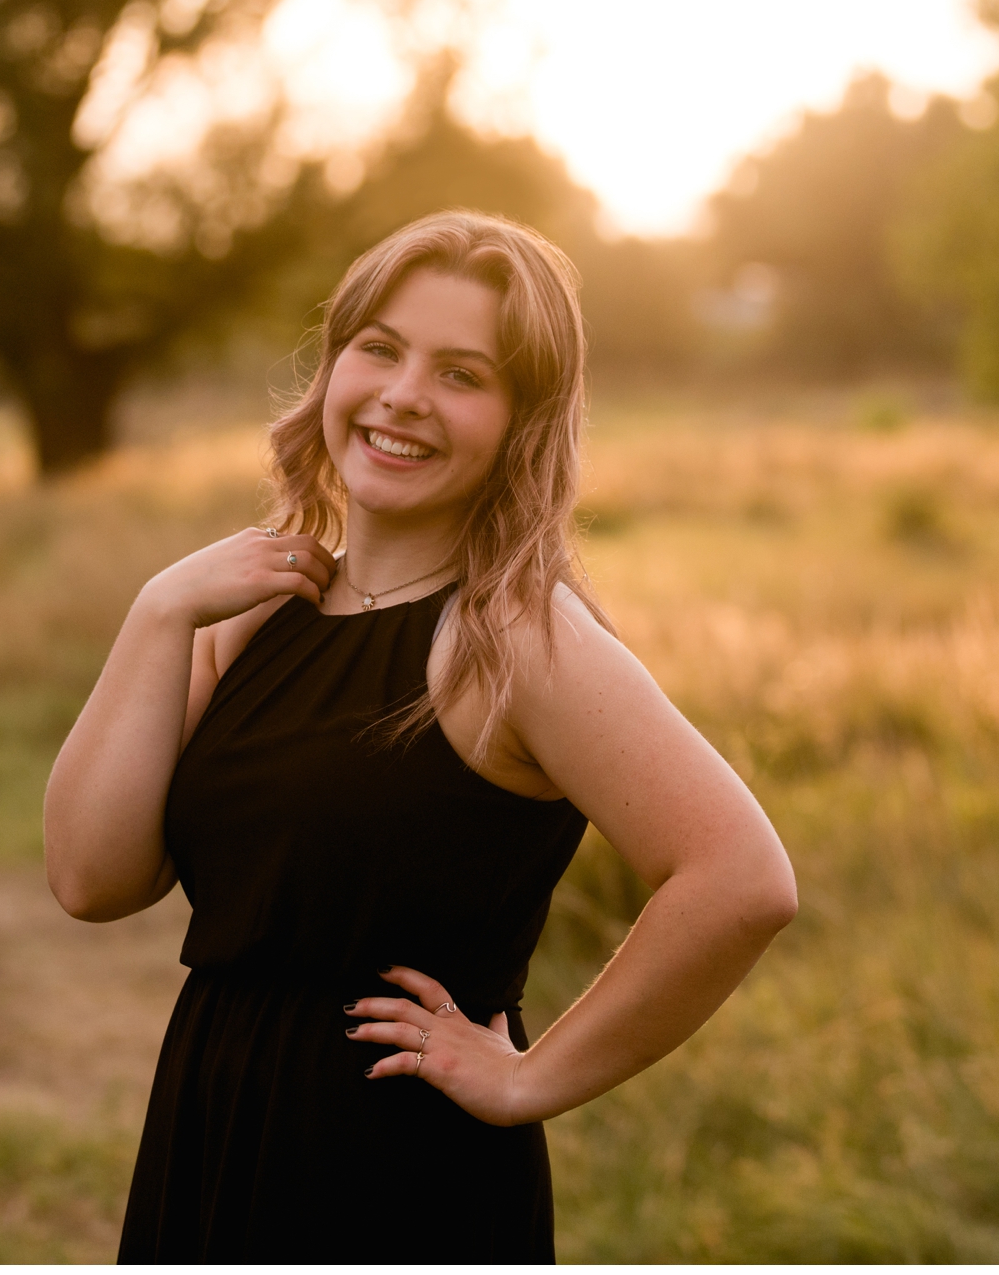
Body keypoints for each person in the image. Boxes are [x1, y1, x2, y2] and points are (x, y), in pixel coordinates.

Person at [44, 211, 797, 1262]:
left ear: (519, 422)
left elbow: (741, 876)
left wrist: (530, 1078)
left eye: (462, 373)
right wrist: (158, 611)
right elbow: (89, 876)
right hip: (214, 1113)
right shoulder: (261, 610)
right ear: (335, 366)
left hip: (391, 1163)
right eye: (381, 349)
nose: (404, 394)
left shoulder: (515, 633)